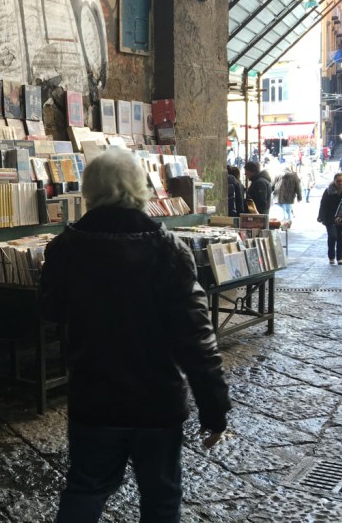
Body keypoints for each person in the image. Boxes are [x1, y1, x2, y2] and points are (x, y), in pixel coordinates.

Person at [40, 148, 230, 523]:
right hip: (156, 401)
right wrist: (214, 406)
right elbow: (196, 338)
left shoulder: (65, 249)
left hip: (93, 398)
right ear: (138, 187)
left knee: (85, 489)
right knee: (160, 498)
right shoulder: (168, 250)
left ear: (89, 191)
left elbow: (49, 311)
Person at [317, 173, 342, 265]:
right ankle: (331, 257)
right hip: (330, 218)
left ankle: (340, 258)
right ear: (334, 181)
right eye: (338, 181)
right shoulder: (328, 191)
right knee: (333, 236)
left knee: (341, 238)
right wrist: (321, 217)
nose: (340, 183)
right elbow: (323, 204)